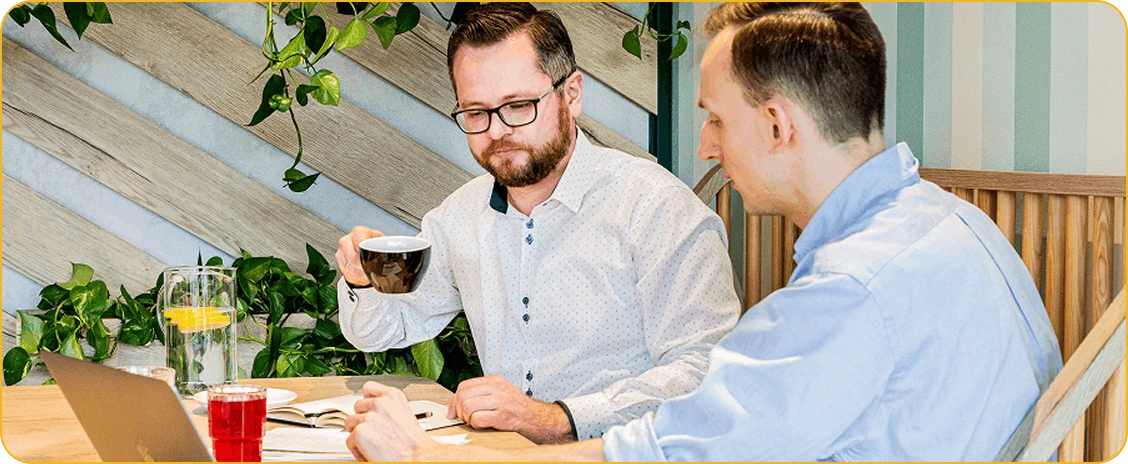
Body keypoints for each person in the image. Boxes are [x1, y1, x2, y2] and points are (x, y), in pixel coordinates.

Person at [341, 2, 1064, 461]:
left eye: (715, 118)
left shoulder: (848, 288)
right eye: (475, 112)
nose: (707, 147)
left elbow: (676, 441)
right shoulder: (955, 223)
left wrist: (432, 458)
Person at [333, 2, 741, 445]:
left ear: (572, 94)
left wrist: (556, 418)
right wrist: (363, 279)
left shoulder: (654, 207)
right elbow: (381, 330)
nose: (497, 131)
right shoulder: (459, 217)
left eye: (518, 105)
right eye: (476, 113)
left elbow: (706, 368)